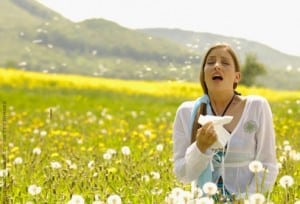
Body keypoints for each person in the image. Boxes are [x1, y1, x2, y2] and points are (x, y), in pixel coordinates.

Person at [172, 43, 278, 200]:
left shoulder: (257, 107)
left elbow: (267, 165)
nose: (217, 66)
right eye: (210, 62)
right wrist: (199, 148)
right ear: (203, 73)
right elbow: (183, 175)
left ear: (237, 77)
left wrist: (245, 200)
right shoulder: (186, 112)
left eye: (225, 63)